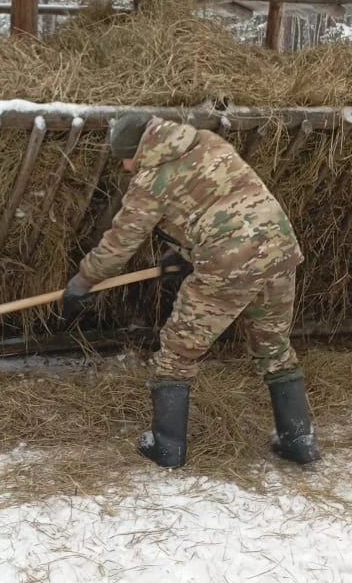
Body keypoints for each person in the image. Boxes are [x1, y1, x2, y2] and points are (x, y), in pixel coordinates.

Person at [62, 113, 320, 468]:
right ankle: (299, 441)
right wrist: (184, 253)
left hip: (229, 263)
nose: (125, 166)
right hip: (278, 249)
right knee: (273, 345)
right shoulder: (207, 141)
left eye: (126, 158)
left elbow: (120, 244)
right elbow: (214, 202)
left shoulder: (151, 180)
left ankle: (167, 447)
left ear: (139, 150)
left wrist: (83, 281)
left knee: (178, 352)